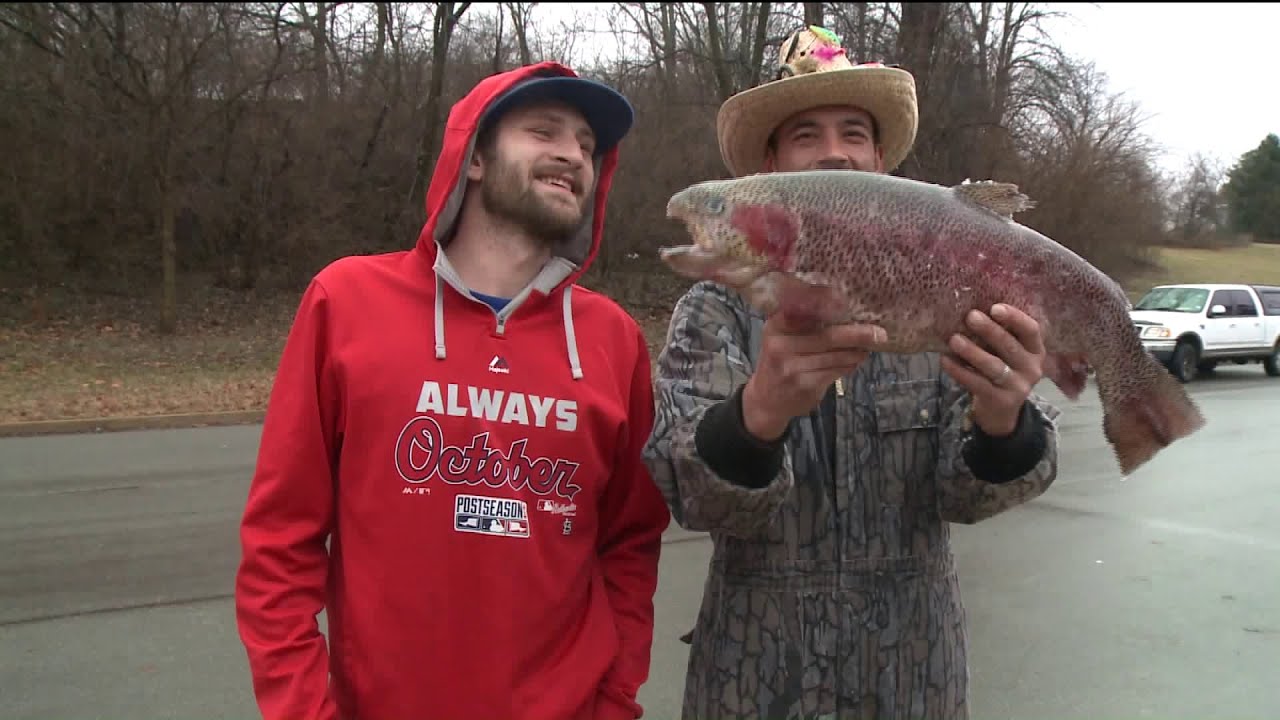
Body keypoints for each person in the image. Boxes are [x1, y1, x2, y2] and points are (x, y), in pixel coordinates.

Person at [642, 26, 1061, 720]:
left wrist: (1003, 421)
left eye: (854, 133)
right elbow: (690, 499)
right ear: (774, 167)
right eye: (806, 134)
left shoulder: (953, 298)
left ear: (880, 163)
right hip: (752, 684)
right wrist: (757, 417)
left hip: (914, 680)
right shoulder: (715, 306)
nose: (835, 149)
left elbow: (974, 498)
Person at [235, 61, 672, 720]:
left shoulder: (613, 341)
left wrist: (612, 704)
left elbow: (629, 549)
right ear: (473, 158)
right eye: (544, 132)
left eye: (587, 145)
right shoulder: (346, 302)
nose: (572, 155)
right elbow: (279, 545)